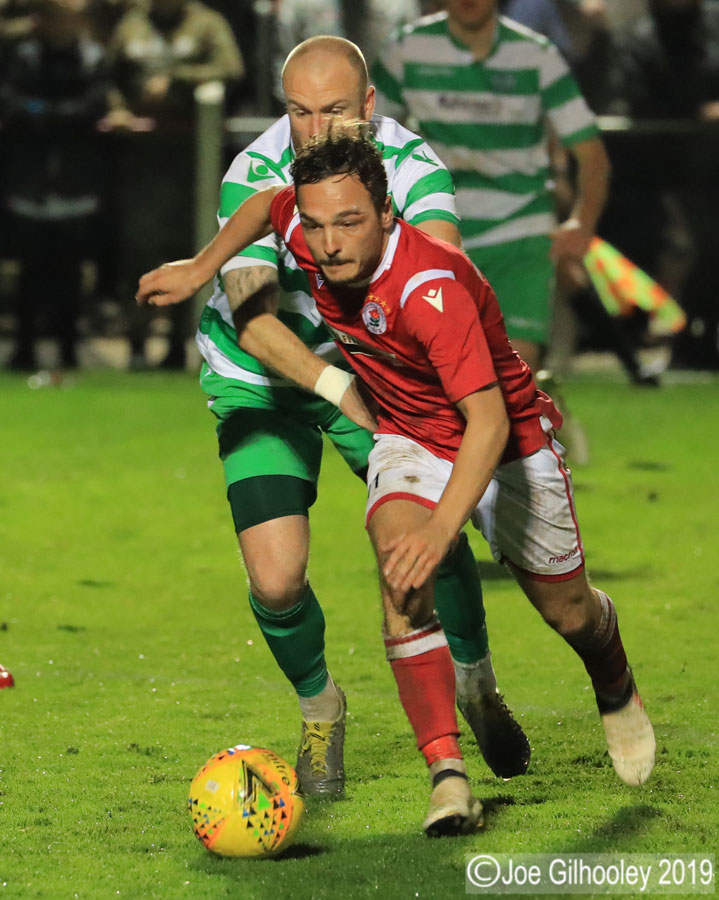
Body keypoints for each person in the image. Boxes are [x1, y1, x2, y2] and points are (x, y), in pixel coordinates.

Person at [137, 126, 656, 833]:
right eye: (316, 225)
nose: (328, 244)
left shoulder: (427, 287)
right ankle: (446, 775)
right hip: (406, 435)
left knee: (568, 613)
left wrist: (445, 527)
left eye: (349, 222)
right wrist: (202, 268)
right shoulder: (309, 218)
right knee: (403, 573)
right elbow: (265, 206)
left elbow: (488, 423)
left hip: (503, 443)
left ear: (388, 214)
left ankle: (613, 681)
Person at [138, 35, 530, 796]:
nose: (316, 132)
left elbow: (437, 277)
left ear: (370, 108)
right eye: (299, 112)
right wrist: (336, 389)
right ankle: (320, 708)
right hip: (264, 378)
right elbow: (253, 320)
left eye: (336, 113)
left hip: (375, 373)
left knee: (425, 535)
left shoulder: (414, 169)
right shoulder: (253, 171)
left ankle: (476, 682)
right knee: (276, 580)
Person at [371, 0, 610, 376]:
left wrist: (583, 223)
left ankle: (532, 422)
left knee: (516, 374)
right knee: (441, 375)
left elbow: (592, 153)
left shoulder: (535, 54)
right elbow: (370, 141)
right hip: (439, 232)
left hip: (521, 231)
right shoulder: (407, 48)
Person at [106, 0, 244, 368]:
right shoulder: (133, 24)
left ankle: (178, 345)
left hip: (191, 158)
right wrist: (117, 106)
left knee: (187, 248)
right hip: (141, 160)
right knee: (138, 249)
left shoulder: (207, 24)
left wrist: (177, 78)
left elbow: (230, 68)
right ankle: (136, 342)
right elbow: (109, 75)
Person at [0, 0, 110, 370]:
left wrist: (47, 116)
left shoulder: (93, 58)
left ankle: (67, 348)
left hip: (75, 181)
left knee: (70, 271)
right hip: (30, 181)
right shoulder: (23, 56)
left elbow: (94, 105)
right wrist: (49, 115)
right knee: (29, 270)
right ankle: (25, 348)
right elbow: (10, 102)